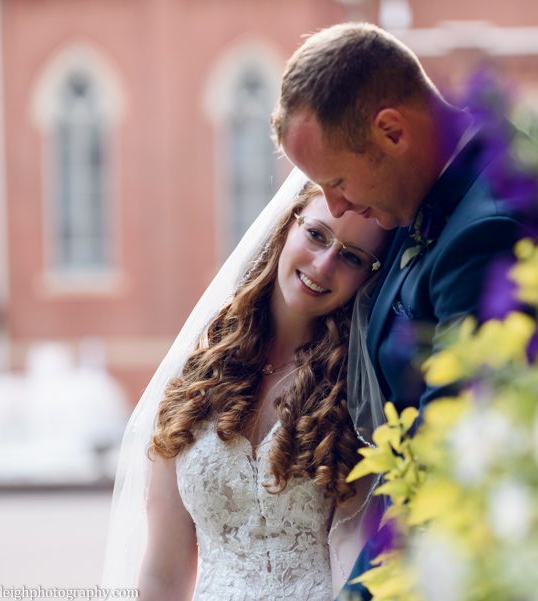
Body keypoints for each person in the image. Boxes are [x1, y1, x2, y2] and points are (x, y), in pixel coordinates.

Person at [272, 22, 538, 599]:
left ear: (391, 131)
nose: (336, 206)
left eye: (336, 181)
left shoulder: (491, 224)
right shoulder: (427, 195)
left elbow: (455, 453)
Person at [101, 177, 389, 601]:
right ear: (286, 226)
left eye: (351, 257)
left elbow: (350, 549)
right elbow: (165, 570)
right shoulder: (197, 377)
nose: (324, 265)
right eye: (316, 235)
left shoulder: (354, 390)